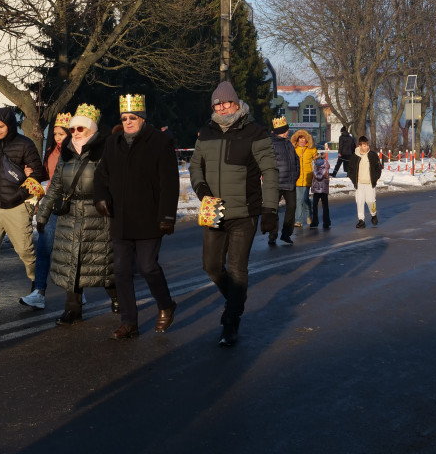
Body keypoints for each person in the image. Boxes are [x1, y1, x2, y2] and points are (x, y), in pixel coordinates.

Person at [189, 81, 279, 347]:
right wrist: (202, 190)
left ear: (237, 104)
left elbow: (270, 173)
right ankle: (236, 299)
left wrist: (270, 209)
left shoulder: (255, 132)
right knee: (211, 266)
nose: (222, 107)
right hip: (213, 211)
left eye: (227, 102)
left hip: (245, 213)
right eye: (217, 103)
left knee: (237, 268)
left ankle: (231, 321)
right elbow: (195, 167)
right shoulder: (206, 133)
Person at [95, 94, 179, 340]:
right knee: (120, 270)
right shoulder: (113, 142)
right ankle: (129, 322)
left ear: (142, 118)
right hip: (120, 218)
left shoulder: (160, 142)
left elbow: (169, 183)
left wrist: (167, 216)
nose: (128, 122)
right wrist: (100, 197)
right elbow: (101, 175)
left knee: (148, 267)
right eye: (124, 118)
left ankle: (166, 304)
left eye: (133, 117)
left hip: (149, 217)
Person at [33, 104, 115, 326]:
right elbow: (55, 187)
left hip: (97, 214)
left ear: (92, 129)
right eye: (73, 129)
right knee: (73, 265)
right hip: (70, 215)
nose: (75, 133)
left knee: (102, 264)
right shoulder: (66, 153)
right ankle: (72, 310)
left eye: (81, 129)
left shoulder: (106, 150)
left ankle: (117, 297)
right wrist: (43, 215)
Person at [0, 107, 46, 312]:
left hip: (16, 207)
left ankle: (37, 286)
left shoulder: (25, 144)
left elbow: (37, 173)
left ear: (10, 125)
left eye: (0, 126)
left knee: (25, 251)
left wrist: (19, 196)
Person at [20, 113, 70, 310]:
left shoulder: (77, 152)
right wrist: (32, 173)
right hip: (51, 204)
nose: (58, 137)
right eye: (56, 134)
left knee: (68, 252)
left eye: (62, 133)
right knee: (43, 248)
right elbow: (46, 174)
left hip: (70, 205)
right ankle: (39, 292)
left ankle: (76, 293)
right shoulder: (51, 151)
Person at [268, 117, 299, 245]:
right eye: (286, 130)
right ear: (281, 131)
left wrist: (296, 174)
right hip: (276, 183)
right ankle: (272, 235)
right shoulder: (271, 144)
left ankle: (286, 234)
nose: (288, 132)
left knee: (291, 207)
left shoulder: (289, 143)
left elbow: (296, 161)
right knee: (273, 209)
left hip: (290, 182)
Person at [348, 136, 382, 228]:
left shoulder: (372, 155)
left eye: (367, 145)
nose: (366, 147)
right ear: (359, 146)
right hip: (359, 183)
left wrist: (375, 177)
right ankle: (361, 220)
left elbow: (378, 168)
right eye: (364, 145)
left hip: (370, 183)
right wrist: (353, 179)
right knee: (360, 201)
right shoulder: (355, 156)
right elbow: (350, 169)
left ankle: (373, 214)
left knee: (371, 201)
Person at [291, 130, 316, 228]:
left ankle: (309, 214)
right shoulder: (294, 149)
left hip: (307, 177)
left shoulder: (311, 149)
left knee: (305, 198)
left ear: (307, 139)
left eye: (303, 138)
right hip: (297, 177)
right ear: (297, 139)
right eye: (300, 138)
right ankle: (298, 220)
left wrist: (321, 164)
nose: (302, 140)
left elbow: (317, 161)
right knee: (298, 199)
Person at [310, 150, 332, 229]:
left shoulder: (324, 166)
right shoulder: (317, 165)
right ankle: (315, 221)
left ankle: (326, 222)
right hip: (317, 189)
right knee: (315, 206)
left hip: (323, 189)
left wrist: (314, 171)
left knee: (324, 206)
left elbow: (319, 176)